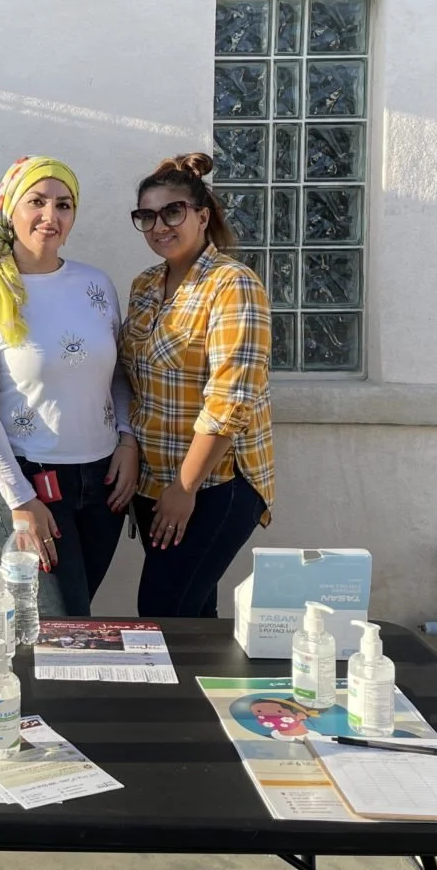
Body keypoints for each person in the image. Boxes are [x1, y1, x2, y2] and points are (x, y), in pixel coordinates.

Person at [0, 156, 138, 618]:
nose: (50, 216)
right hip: (29, 478)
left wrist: (128, 440)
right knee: (62, 620)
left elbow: (116, 374)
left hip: (104, 482)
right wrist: (20, 498)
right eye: (36, 201)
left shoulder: (95, 283)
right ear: (9, 209)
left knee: (68, 621)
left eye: (63, 204)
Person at [120, 152, 274, 619]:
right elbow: (132, 376)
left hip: (213, 483)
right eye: (147, 216)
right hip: (154, 482)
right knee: (192, 617)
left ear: (202, 216)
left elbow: (231, 399)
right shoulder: (145, 285)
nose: (159, 226)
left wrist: (184, 488)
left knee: (162, 612)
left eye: (173, 212)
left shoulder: (233, 285)